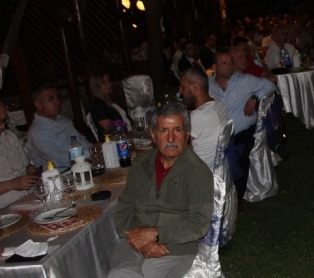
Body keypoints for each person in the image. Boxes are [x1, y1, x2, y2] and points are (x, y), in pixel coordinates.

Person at [108, 103, 213, 278]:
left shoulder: (198, 172)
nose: (171, 138)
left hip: (176, 250)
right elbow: (124, 209)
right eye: (164, 131)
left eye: (177, 130)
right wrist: (141, 240)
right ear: (153, 134)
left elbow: (200, 223)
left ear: (187, 134)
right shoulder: (141, 165)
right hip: (134, 243)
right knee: (120, 274)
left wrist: (156, 234)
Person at [208, 52, 276, 200]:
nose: (229, 66)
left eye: (230, 62)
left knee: (240, 152)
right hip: (219, 132)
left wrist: (254, 97)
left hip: (243, 129)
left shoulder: (244, 80)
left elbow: (270, 84)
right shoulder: (208, 86)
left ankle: (237, 198)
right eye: (224, 63)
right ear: (214, 67)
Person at [27, 84, 91, 170]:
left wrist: (94, 149)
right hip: (65, 172)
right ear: (39, 105)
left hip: (85, 163)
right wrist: (89, 153)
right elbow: (56, 159)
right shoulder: (37, 132)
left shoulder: (63, 120)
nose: (57, 102)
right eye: (51, 99)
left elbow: (81, 140)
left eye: (57, 98)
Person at [178, 68, 229, 171]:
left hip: (199, 172)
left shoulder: (198, 116)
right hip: (218, 169)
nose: (180, 91)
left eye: (183, 87)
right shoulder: (219, 104)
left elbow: (179, 146)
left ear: (195, 87)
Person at [90, 71, 131, 142]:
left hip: (128, 135)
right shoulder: (98, 105)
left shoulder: (113, 100)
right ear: (97, 85)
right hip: (117, 141)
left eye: (109, 81)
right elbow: (111, 130)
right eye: (103, 82)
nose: (108, 84)